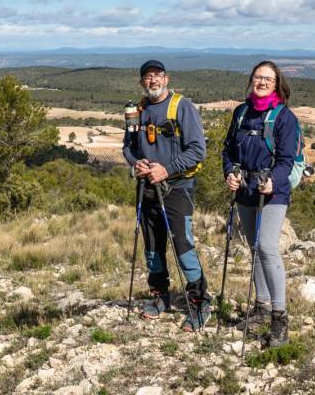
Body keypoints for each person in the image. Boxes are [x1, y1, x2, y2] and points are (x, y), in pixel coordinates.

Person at [122, 59, 210, 331]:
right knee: (151, 248)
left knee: (182, 245)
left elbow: (198, 151)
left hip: (177, 188)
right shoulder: (138, 110)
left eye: (157, 76)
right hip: (146, 188)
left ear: (166, 79)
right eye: (147, 77)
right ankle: (160, 297)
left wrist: (166, 169)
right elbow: (128, 146)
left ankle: (199, 302)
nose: (153, 81)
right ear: (142, 83)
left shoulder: (181, 106)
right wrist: (135, 162)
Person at [222, 60, 297, 347]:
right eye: (258, 77)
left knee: (266, 247)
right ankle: (261, 308)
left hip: (273, 193)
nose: (262, 82)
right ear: (251, 80)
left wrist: (273, 181)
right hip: (245, 189)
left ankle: (280, 318)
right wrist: (229, 173)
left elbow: (287, 159)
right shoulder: (241, 112)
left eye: (268, 79)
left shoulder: (284, 117)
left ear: (277, 84)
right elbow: (228, 149)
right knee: (253, 248)